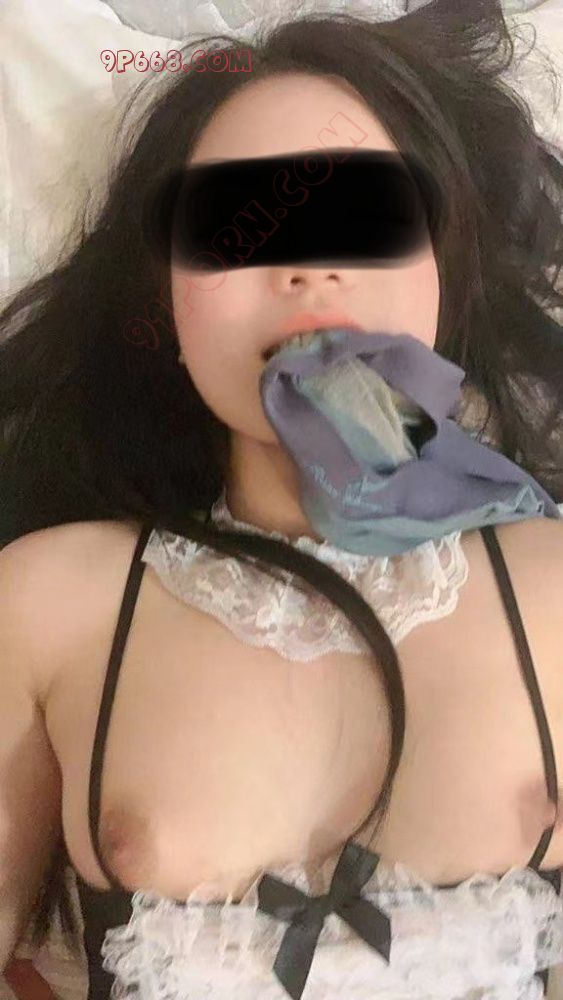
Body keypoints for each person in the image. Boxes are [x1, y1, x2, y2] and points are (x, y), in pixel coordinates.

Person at [1, 1, 563, 997]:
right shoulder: (46, 606)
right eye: (239, 228)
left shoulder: (553, 588)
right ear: (163, 300)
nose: (307, 269)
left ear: (444, 271)